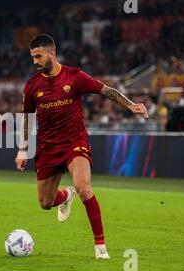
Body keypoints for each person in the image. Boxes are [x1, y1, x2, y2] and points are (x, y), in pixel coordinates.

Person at [15, 34, 148, 259]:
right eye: (32, 58)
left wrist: (131, 105)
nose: (35, 62)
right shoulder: (32, 86)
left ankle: (100, 247)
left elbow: (107, 91)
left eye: (38, 56)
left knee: (84, 187)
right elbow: (26, 118)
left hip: (74, 142)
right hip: (48, 147)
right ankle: (66, 195)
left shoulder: (74, 77)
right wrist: (22, 149)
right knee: (45, 203)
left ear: (52, 54)